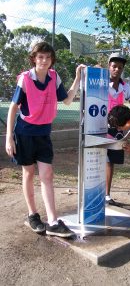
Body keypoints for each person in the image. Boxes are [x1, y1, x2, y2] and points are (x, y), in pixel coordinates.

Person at [5, 41, 85, 237]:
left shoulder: (54, 77)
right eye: (40, 57)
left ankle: (53, 222)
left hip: (43, 133)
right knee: (29, 174)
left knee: (47, 174)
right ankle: (32, 215)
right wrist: (9, 137)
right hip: (24, 133)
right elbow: (13, 108)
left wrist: (77, 78)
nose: (44, 60)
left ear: (52, 60)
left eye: (48, 57)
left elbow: (66, 100)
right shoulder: (25, 79)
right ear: (34, 59)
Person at [106, 52, 130, 205]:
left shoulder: (125, 87)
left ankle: (106, 195)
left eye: (120, 67)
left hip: (117, 128)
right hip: (100, 126)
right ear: (109, 67)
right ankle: (95, 193)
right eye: (114, 66)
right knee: (98, 158)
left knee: (110, 161)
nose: (117, 69)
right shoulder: (101, 83)